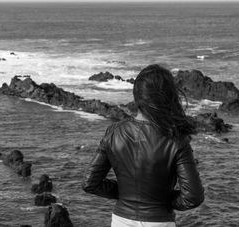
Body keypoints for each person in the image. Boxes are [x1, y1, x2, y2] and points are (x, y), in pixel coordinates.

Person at [82, 64, 204, 227]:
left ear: (136, 96)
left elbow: (90, 183)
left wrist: (126, 194)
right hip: (159, 222)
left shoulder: (114, 132)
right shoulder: (176, 139)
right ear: (168, 97)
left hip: (121, 221)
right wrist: (160, 199)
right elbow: (192, 197)